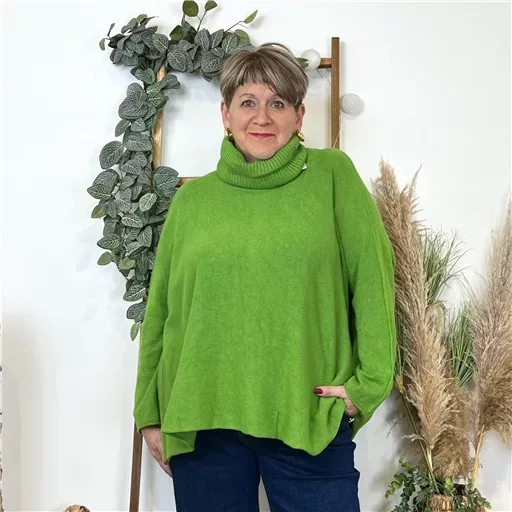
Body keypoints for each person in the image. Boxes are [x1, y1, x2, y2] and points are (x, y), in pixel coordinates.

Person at [133, 42, 396, 512]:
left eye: (277, 103)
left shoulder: (332, 177)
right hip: (201, 419)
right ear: (225, 114)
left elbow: (372, 283)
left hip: (307, 413)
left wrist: (367, 386)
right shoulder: (192, 202)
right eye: (247, 102)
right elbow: (163, 312)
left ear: (299, 116)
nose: (262, 117)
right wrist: (149, 410)